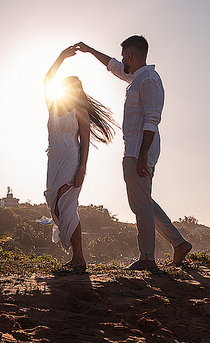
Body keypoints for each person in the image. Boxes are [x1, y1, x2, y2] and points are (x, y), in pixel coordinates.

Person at [76, 36, 192, 270]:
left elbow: (152, 120)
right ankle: (178, 243)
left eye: (123, 56)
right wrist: (89, 51)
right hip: (136, 149)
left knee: (140, 205)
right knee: (144, 201)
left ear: (130, 55)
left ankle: (147, 258)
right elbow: (113, 67)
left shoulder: (148, 80)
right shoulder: (138, 78)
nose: (121, 60)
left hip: (139, 151)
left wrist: (142, 155)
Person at [43, 45, 115, 271]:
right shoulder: (53, 107)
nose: (72, 91)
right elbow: (47, 80)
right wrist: (61, 56)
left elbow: (85, 143)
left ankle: (79, 258)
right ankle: (76, 256)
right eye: (69, 87)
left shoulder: (81, 113)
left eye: (76, 88)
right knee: (53, 205)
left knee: (68, 204)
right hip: (53, 158)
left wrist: (82, 169)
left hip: (71, 158)